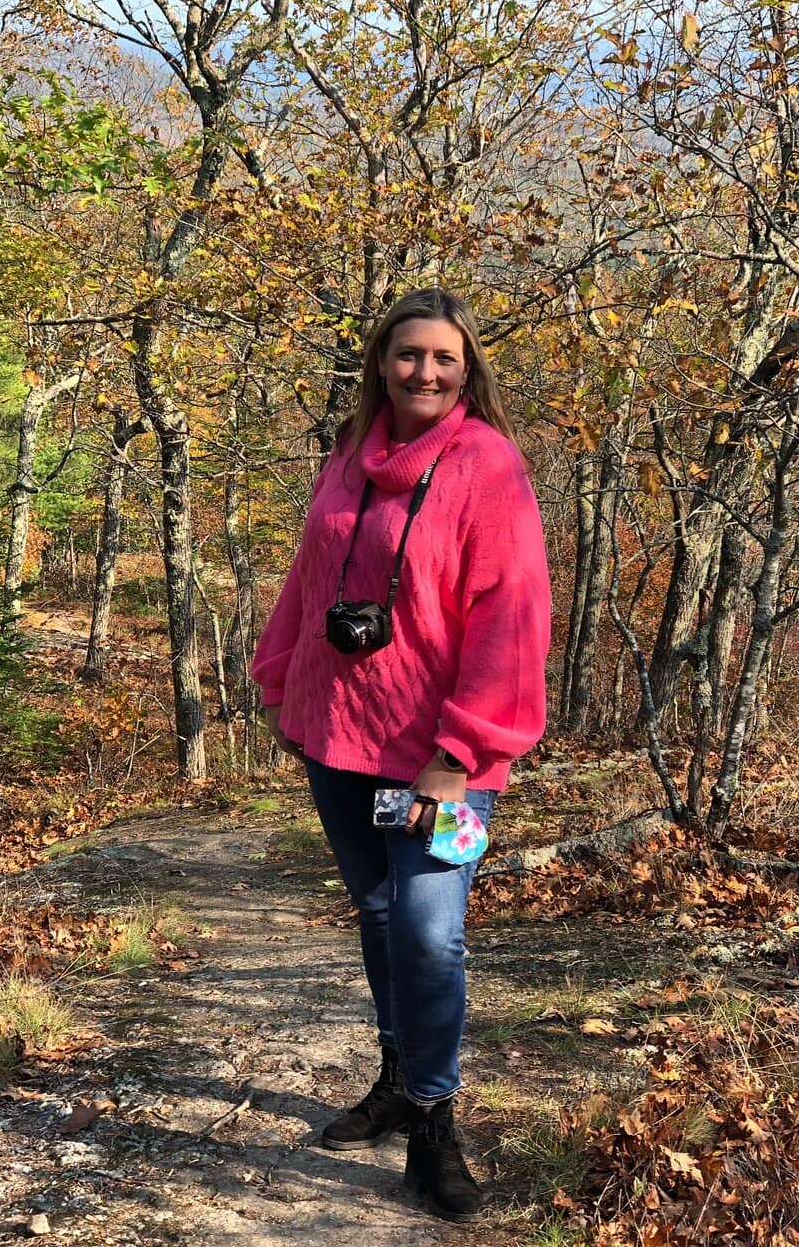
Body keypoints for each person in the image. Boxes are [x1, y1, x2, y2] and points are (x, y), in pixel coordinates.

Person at [251, 287, 551, 1224]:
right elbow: (309, 577)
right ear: (381, 361)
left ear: (468, 373)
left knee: (430, 930)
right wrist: (277, 680)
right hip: (338, 733)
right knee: (378, 917)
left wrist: (461, 753)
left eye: (444, 359)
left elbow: (513, 616)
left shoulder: (488, 465)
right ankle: (396, 1077)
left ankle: (433, 1125)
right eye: (408, 354)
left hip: (439, 757)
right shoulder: (348, 456)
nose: (424, 371)